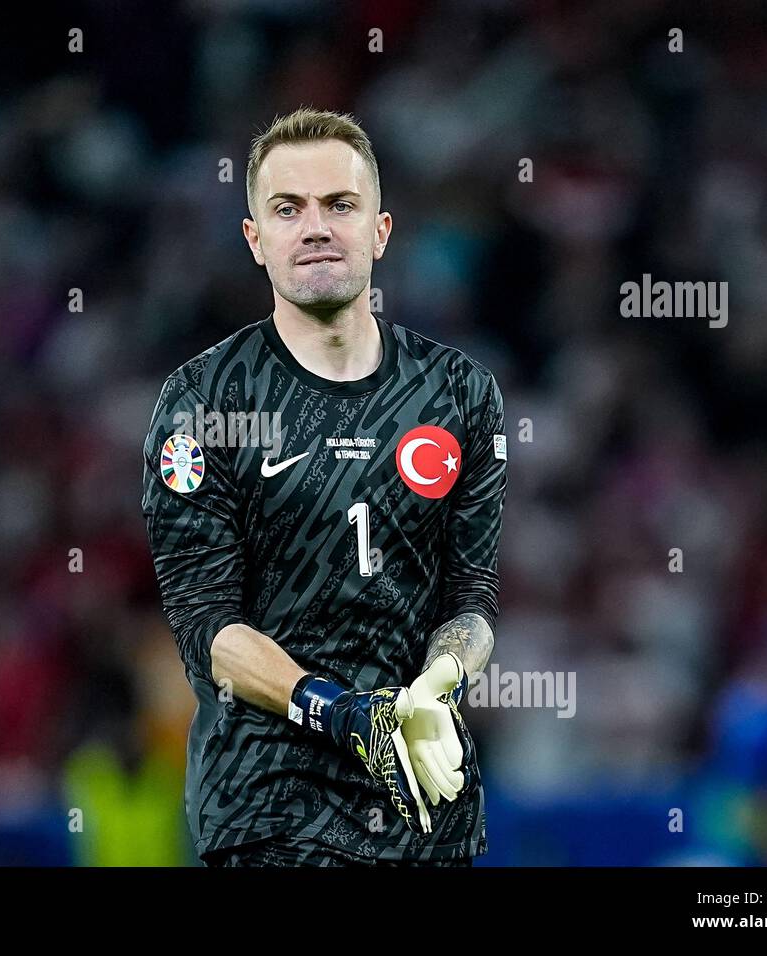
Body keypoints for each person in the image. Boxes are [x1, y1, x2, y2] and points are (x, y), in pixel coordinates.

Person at [141, 107, 506, 866]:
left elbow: (471, 597)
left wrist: (436, 685)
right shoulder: (205, 403)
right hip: (271, 809)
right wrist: (341, 713)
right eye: (287, 209)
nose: (315, 227)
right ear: (255, 240)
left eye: (339, 205)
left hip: (425, 807)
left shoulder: (459, 394)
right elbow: (208, 629)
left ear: (380, 230)